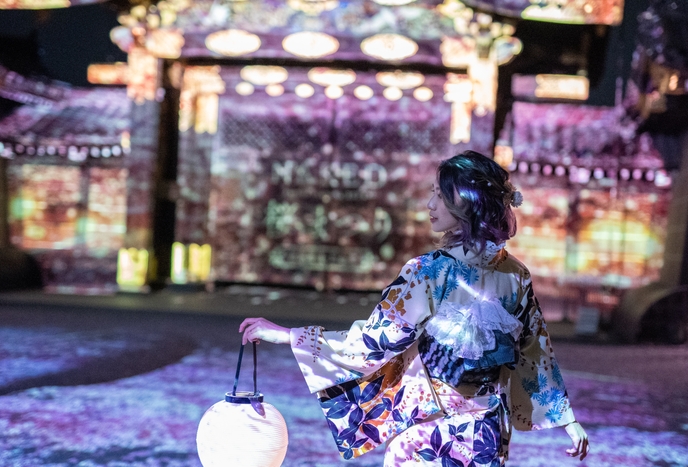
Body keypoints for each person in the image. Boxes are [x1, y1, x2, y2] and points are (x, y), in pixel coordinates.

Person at [240, 150, 589, 466]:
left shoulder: (428, 272)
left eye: (440, 195)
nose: (430, 204)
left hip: (432, 435)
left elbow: (372, 344)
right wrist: (565, 419)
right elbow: (535, 351)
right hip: (482, 435)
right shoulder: (513, 275)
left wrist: (288, 335)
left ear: (466, 204)